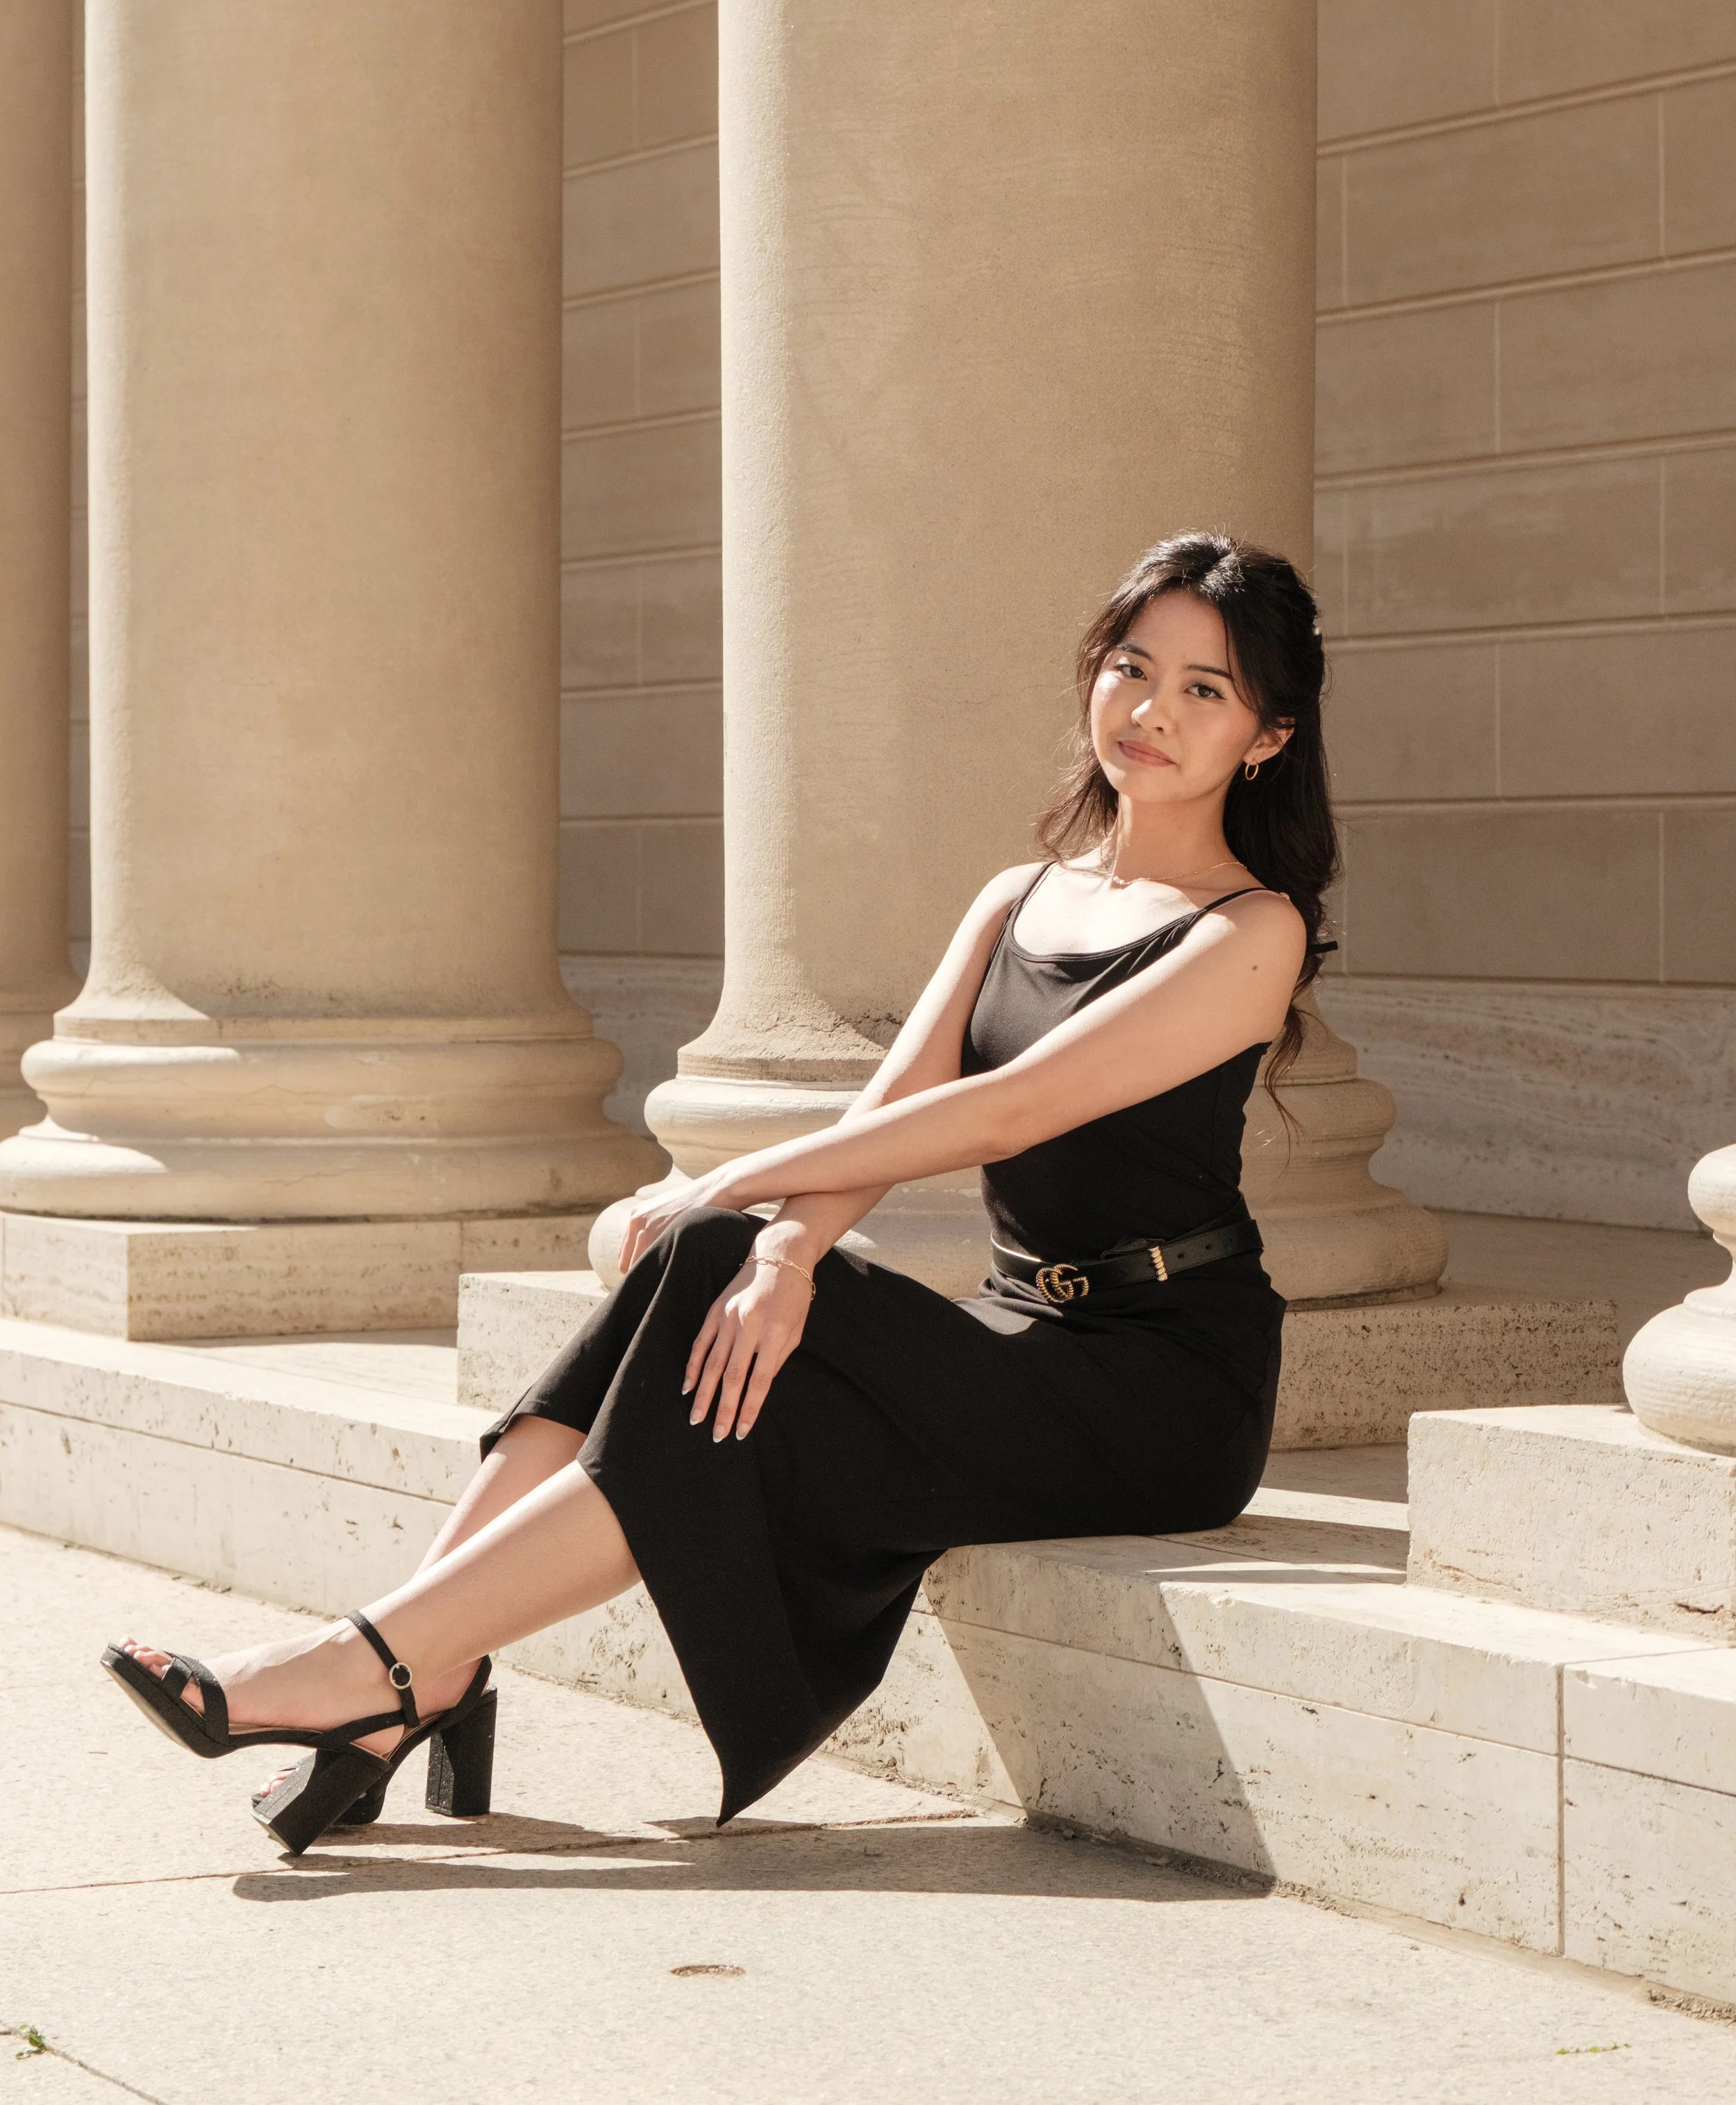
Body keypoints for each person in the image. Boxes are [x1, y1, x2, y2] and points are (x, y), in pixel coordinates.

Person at [103, 530, 1336, 1856]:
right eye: (1132, 668)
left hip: (1161, 1389)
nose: (1150, 712)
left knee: (707, 1248)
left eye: (1205, 690)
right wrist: (779, 1249)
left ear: (1265, 735)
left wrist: (732, 1185)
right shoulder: (1019, 896)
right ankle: (410, 1658)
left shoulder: (1250, 930)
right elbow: (886, 1116)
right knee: (715, 1268)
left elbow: (1005, 1111)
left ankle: (383, 1670)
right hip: (1019, 1330)